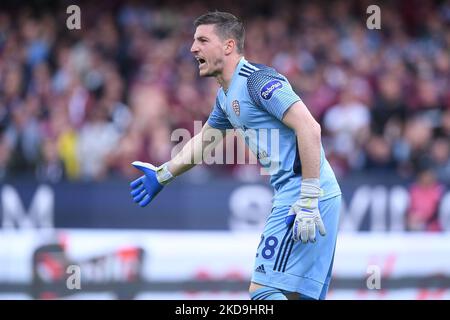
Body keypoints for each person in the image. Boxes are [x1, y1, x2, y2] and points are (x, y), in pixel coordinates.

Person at [129, 11, 342, 300]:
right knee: (298, 296)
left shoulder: (257, 81)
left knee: (263, 291)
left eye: (203, 40)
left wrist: (307, 198)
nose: (193, 48)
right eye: (194, 41)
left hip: (304, 196)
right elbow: (204, 142)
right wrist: (164, 174)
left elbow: (310, 128)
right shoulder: (225, 97)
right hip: (312, 195)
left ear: (229, 46)